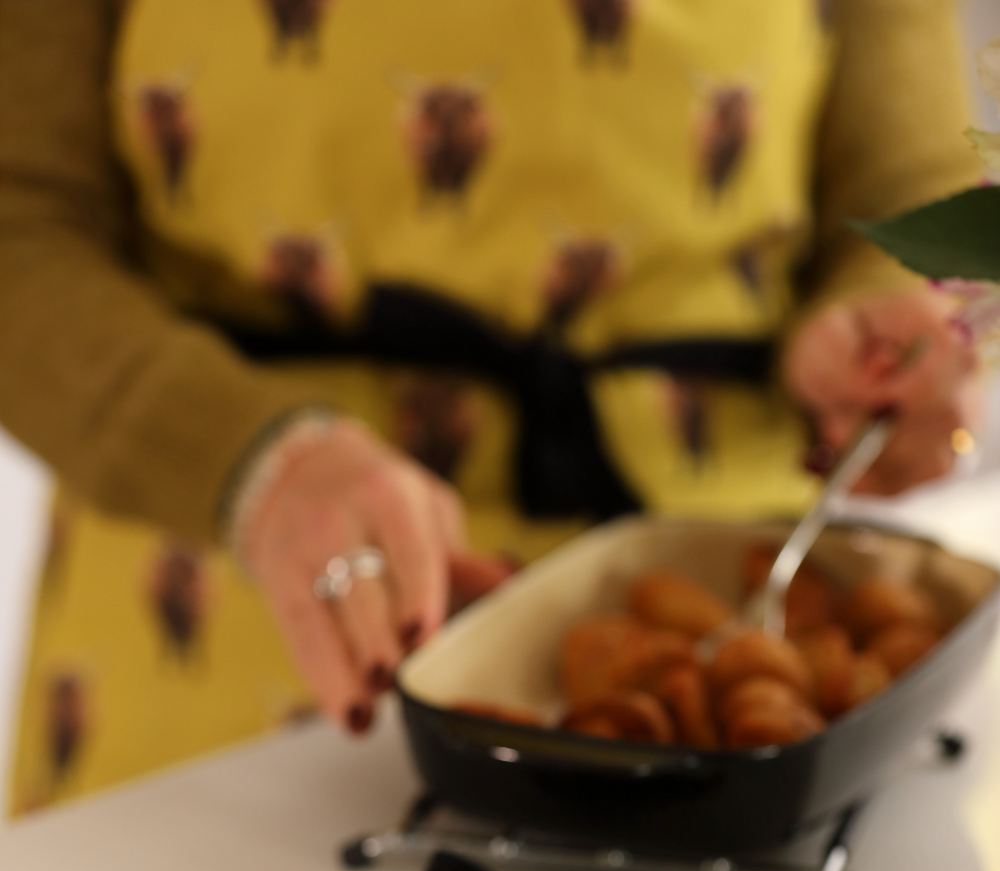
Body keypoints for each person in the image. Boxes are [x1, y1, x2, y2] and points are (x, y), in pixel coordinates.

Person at [0, 0, 979, 812]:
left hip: (729, 637)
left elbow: (908, 193)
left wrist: (882, 324)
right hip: (224, 646)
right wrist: (252, 463)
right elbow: (18, 225)